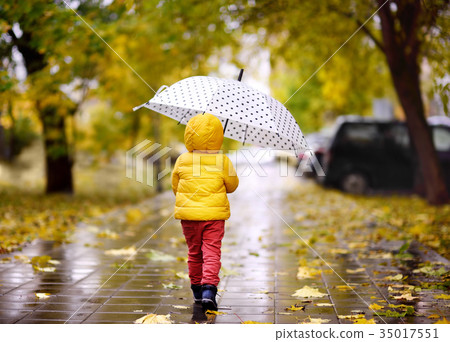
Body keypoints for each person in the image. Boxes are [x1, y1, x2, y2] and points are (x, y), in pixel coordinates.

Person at [171, 113, 239, 311]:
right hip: (214, 218)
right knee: (211, 252)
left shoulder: (182, 160)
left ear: (189, 135)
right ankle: (209, 289)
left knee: (194, 252)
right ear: (218, 136)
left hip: (189, 217)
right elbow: (233, 186)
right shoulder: (222, 160)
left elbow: (176, 186)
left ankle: (196, 290)